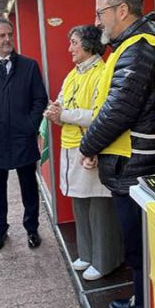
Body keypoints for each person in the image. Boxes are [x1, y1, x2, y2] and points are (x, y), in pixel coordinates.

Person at [79, 0, 155, 308]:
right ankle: (143, 302)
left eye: (100, 13)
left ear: (122, 10)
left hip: (139, 167)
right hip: (134, 164)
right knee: (139, 246)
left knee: (142, 247)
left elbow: (119, 109)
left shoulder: (140, 47)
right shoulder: (133, 46)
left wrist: (88, 145)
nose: (97, 22)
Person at [44, 25, 123, 281]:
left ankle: (105, 260)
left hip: (93, 147)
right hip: (71, 146)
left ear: (89, 44)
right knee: (80, 202)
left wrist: (63, 114)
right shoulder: (72, 74)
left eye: (74, 42)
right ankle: (87, 253)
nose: (70, 48)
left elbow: (102, 115)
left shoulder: (102, 73)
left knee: (100, 205)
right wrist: (55, 110)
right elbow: (61, 101)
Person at [0, 17, 48, 251]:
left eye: (9, 34)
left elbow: (39, 99)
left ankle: (32, 228)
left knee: (29, 186)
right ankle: (0, 229)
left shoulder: (29, 65)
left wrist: (29, 126)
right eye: (2, 35)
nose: (7, 39)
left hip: (22, 137)